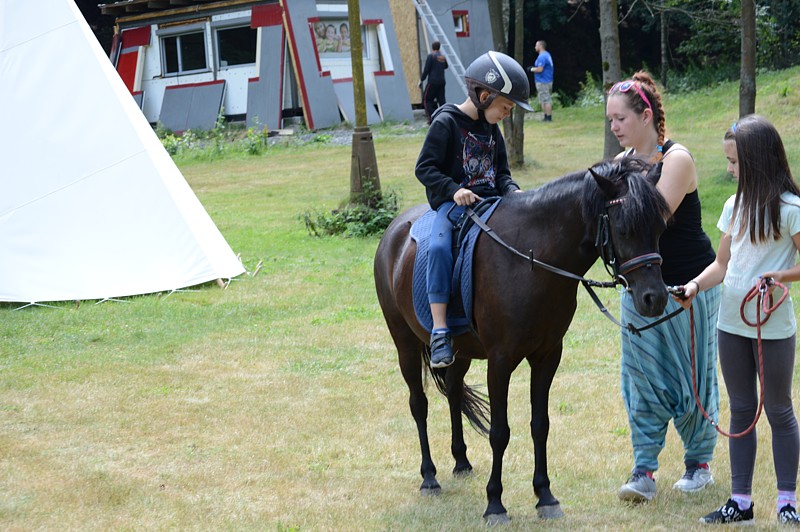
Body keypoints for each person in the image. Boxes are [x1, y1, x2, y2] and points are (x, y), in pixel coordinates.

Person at [678, 115, 800, 526]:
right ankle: (741, 502)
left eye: (734, 162)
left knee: (779, 410)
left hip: (773, 327)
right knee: (742, 410)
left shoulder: (790, 210)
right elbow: (721, 264)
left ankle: (787, 501)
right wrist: (694, 286)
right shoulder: (733, 206)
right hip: (730, 325)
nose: (729, 170)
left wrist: (779, 277)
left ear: (758, 161)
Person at [607, 71, 721, 502]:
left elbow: (650, 219)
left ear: (645, 115)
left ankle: (699, 463)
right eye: (611, 120)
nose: (614, 128)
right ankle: (644, 470)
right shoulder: (620, 164)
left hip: (690, 285)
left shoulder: (678, 160)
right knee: (640, 379)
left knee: (692, 377)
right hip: (640, 288)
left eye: (620, 118)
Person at [415, 50, 532, 368]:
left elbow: (502, 173)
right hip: (453, 208)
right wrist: (455, 191)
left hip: (492, 203)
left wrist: (513, 191)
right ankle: (440, 330)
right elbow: (424, 169)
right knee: (439, 248)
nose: (506, 114)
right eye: (505, 107)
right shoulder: (446, 123)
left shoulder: (492, 129)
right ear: (484, 94)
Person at [419, 41, 448, 124]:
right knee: (441, 101)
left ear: (432, 47)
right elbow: (446, 66)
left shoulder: (431, 56)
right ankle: (445, 118)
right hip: (442, 81)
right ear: (439, 47)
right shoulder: (442, 57)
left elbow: (426, 70)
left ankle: (432, 119)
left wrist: (421, 79)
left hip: (433, 81)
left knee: (426, 99)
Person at [529, 40, 554, 122]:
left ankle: (548, 118)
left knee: (546, 100)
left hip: (543, 81)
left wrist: (531, 69)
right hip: (548, 80)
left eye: (536, 45)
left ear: (540, 46)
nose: (535, 47)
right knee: (545, 99)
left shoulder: (542, 57)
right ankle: (546, 116)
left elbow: (540, 69)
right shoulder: (547, 54)